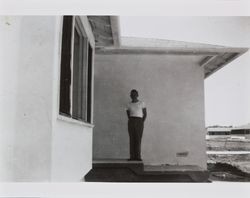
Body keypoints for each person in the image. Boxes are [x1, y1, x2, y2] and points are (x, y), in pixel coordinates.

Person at [126, 89, 147, 161]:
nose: (133, 96)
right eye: (132, 95)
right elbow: (128, 114)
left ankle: (138, 157)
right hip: (131, 121)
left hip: (139, 121)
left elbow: (145, 114)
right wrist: (132, 121)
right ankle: (132, 157)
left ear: (137, 95)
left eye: (135, 94)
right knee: (132, 139)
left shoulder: (142, 103)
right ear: (130, 96)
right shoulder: (128, 104)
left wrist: (141, 122)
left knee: (138, 139)